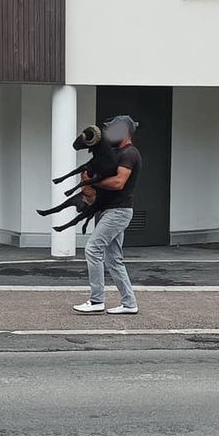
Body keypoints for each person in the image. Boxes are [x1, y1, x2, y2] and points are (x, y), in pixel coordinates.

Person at [73, 115, 141, 315]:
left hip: (118, 211)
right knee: (113, 259)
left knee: (93, 249)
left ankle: (96, 301)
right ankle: (129, 303)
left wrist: (91, 183)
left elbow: (119, 182)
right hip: (112, 210)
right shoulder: (116, 153)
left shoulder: (129, 153)